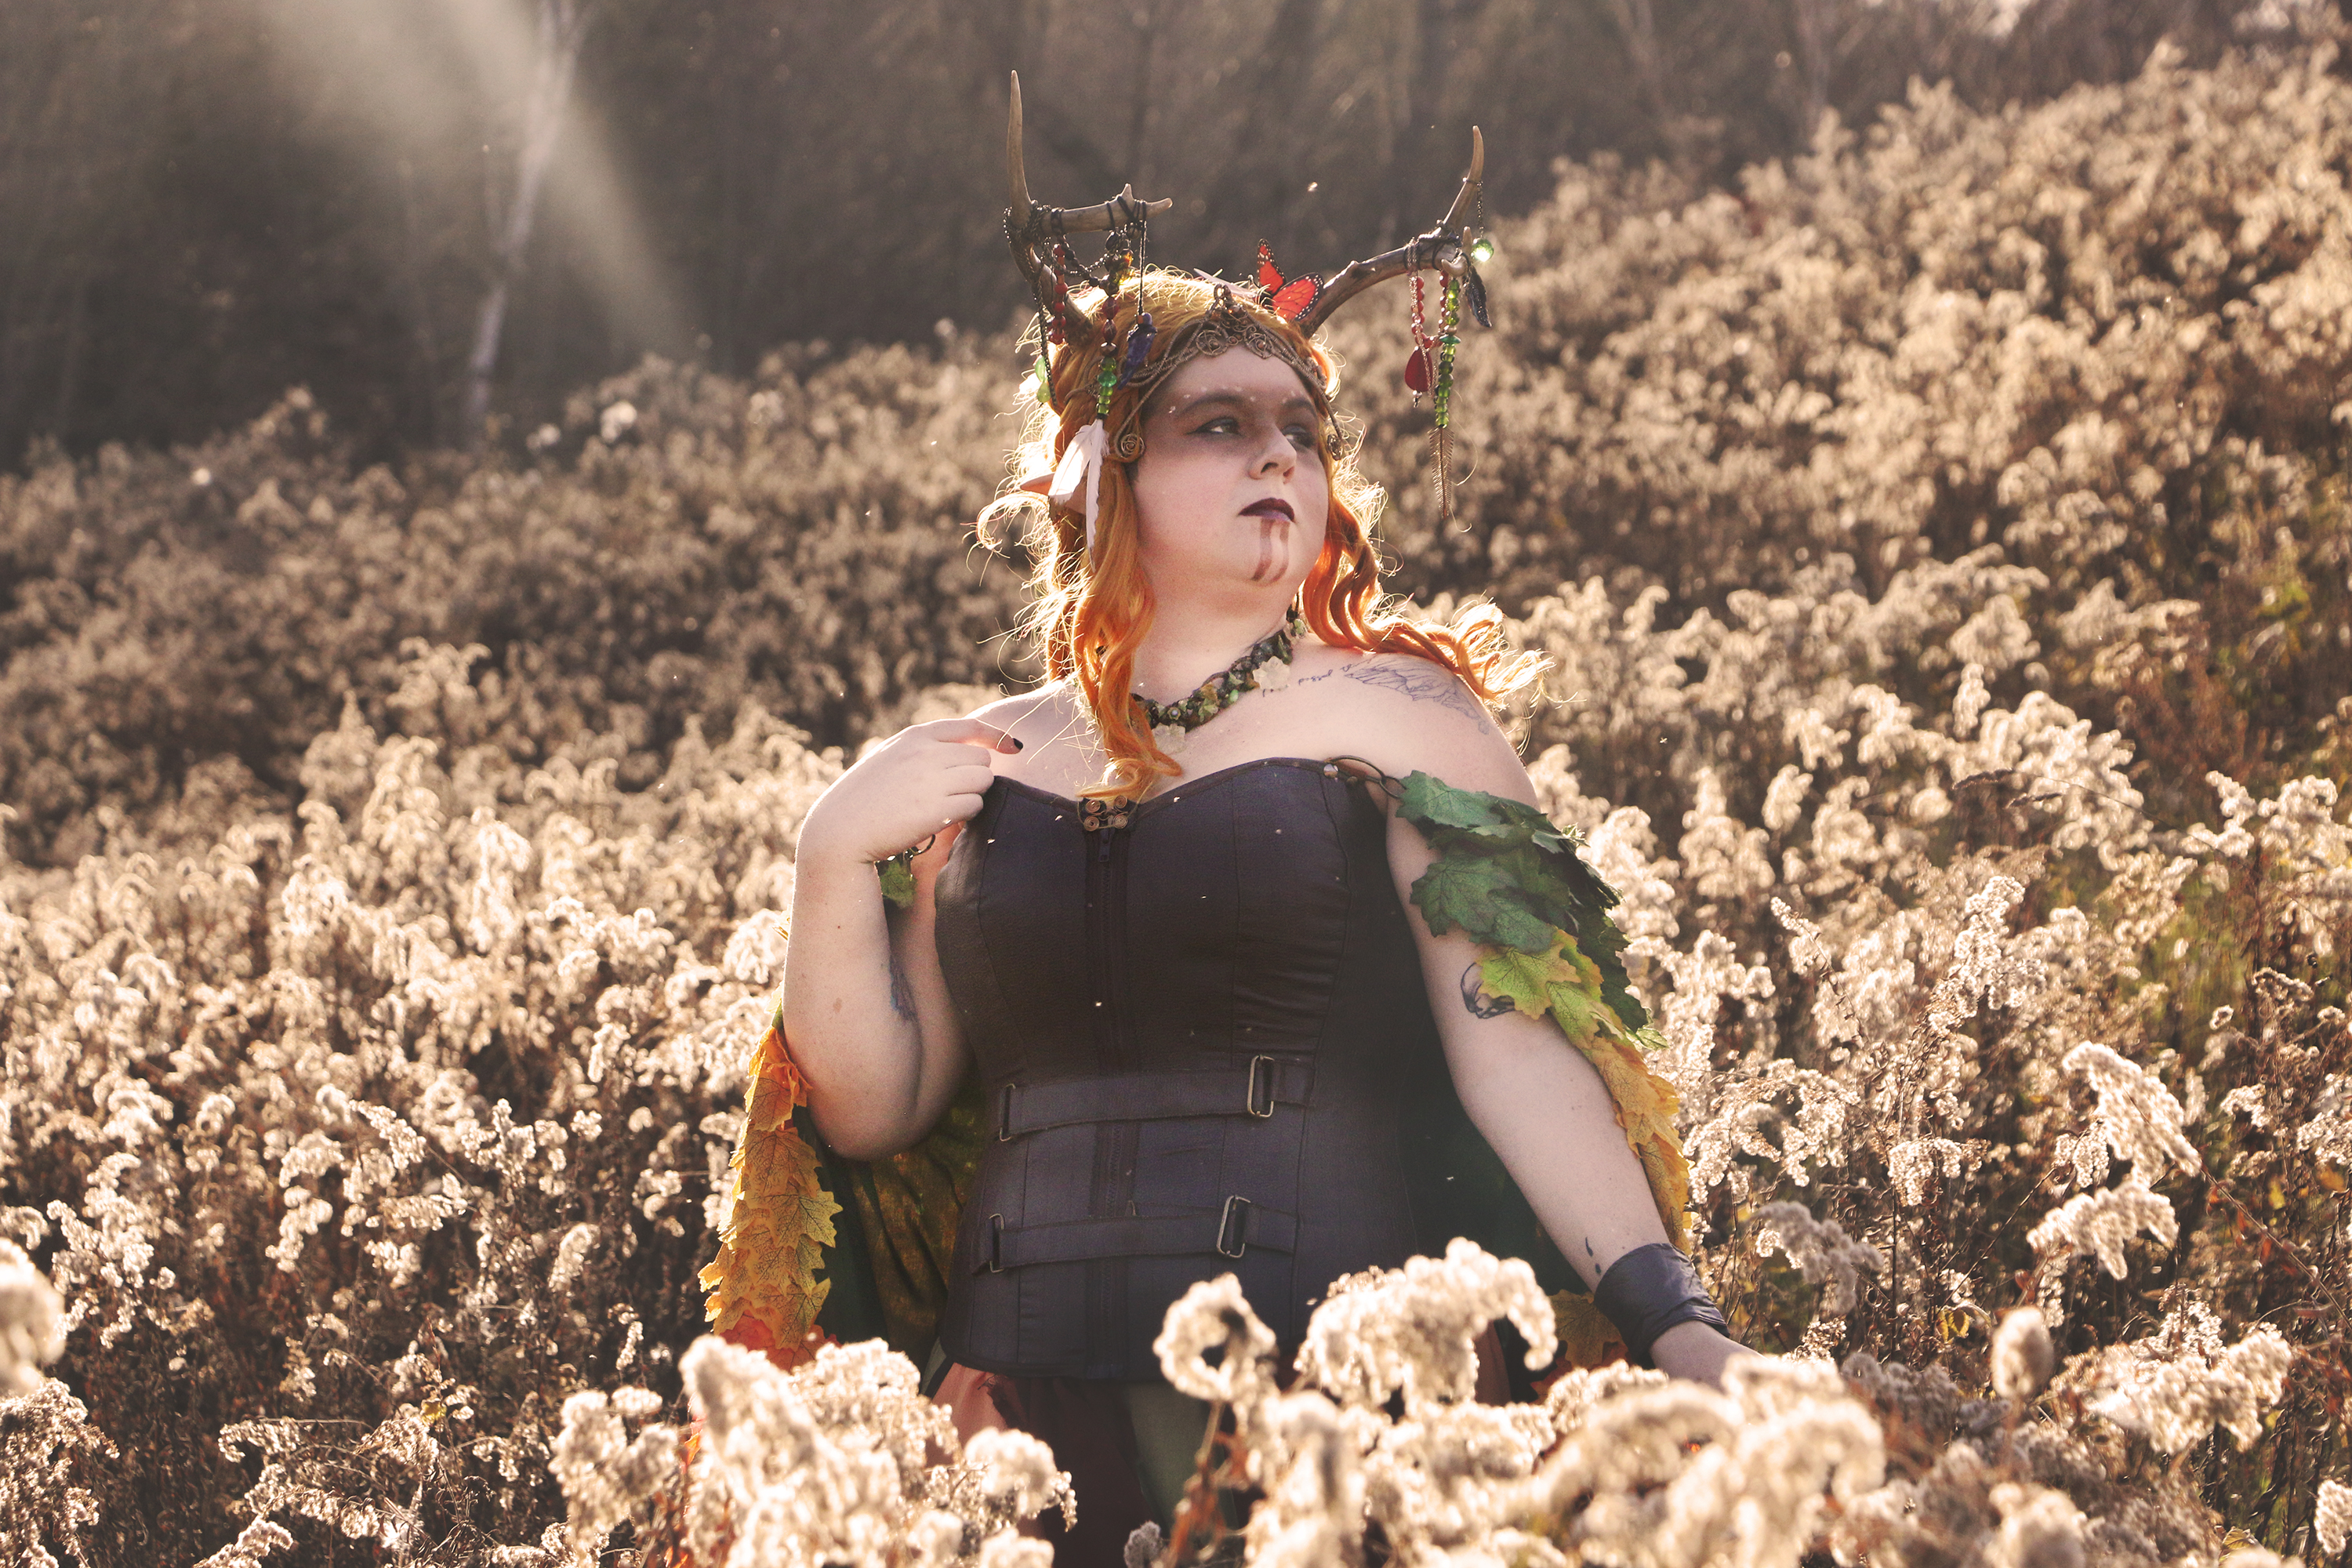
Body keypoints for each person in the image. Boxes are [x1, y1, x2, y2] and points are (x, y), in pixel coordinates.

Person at [767, 88, 1743, 1559]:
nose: (1280, 457)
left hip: (1331, 1404)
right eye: (1219, 427)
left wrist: (1677, 1321)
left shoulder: (1403, 720)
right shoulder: (987, 762)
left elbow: (1516, 1047)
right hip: (1021, 1425)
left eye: (1304, 429)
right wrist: (831, 850)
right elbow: (878, 1109)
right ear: (1105, 477)